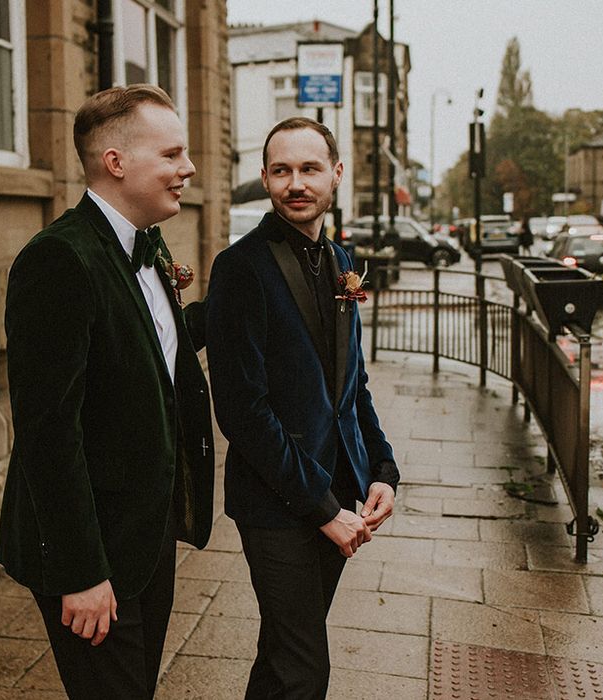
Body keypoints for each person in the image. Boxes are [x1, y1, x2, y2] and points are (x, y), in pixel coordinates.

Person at [0, 84, 215, 699]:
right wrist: (81, 573)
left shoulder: (149, 243)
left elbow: (149, 351)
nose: (188, 168)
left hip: (146, 538)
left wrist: (229, 307)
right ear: (116, 163)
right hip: (90, 552)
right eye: (172, 154)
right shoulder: (59, 261)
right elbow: (47, 432)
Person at [206, 117, 400, 699]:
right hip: (277, 503)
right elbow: (243, 411)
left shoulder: (341, 258)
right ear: (264, 177)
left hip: (342, 494)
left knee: (283, 654)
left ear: (336, 175)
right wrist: (322, 509)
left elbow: (353, 386)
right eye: (282, 170)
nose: (296, 183)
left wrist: (383, 470)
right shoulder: (239, 268)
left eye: (310, 169)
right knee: (303, 670)